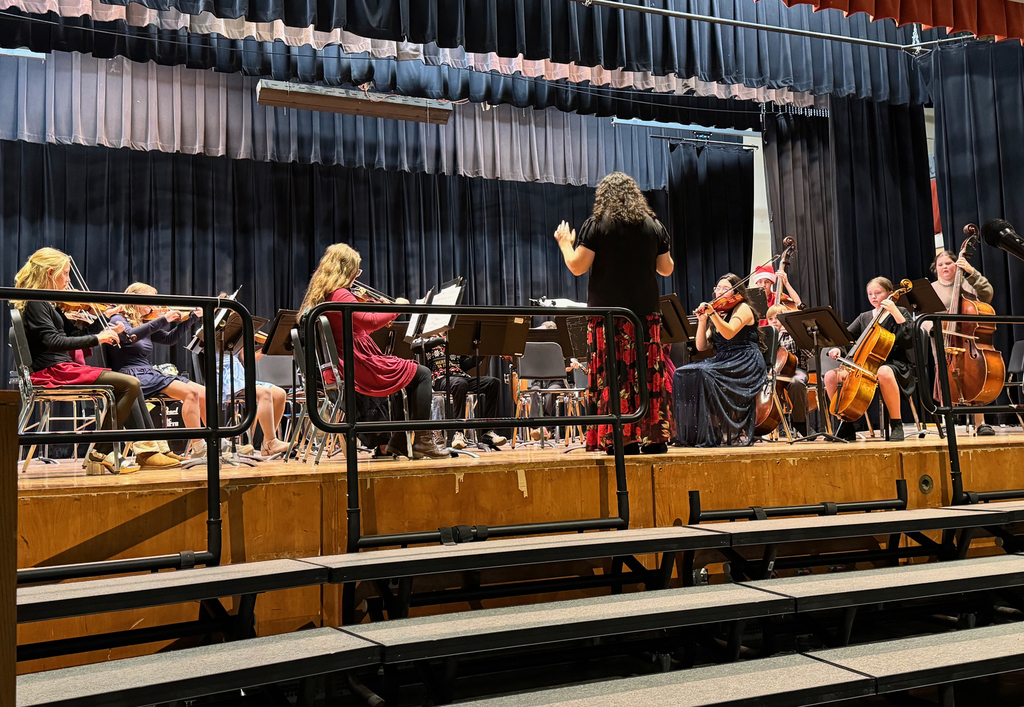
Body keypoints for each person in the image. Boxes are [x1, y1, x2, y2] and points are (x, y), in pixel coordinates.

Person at [554, 171, 674, 455]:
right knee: (645, 376)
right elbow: (666, 268)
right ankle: (653, 437)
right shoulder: (654, 225)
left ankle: (622, 439)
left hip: (610, 319)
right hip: (645, 318)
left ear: (604, 197)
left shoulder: (597, 224)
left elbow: (577, 266)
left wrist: (564, 242)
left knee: (613, 376)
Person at [298, 243, 447, 460]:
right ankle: (423, 441)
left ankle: (397, 442)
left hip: (347, 361)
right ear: (346, 269)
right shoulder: (341, 295)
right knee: (423, 374)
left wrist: (383, 311)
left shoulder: (326, 295)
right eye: (355, 270)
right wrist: (397, 308)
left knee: (402, 380)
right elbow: (369, 321)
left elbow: (359, 324)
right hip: (356, 363)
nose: (356, 276)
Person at [12, 247, 141, 474]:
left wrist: (104, 322)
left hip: (61, 367)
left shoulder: (48, 303)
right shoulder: (36, 302)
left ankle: (114, 451)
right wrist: (98, 338)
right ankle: (100, 453)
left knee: (128, 383)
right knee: (130, 384)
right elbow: (53, 341)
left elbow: (72, 334)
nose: (69, 280)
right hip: (53, 370)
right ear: (50, 273)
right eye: (66, 273)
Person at [104, 282, 204, 469]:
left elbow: (169, 339)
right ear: (134, 299)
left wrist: (191, 318)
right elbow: (130, 336)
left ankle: (206, 443)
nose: (153, 306)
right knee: (190, 394)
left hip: (149, 372)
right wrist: (163, 319)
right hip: (130, 374)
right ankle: (199, 446)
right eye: (149, 301)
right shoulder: (118, 319)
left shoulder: (143, 322)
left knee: (203, 393)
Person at [673, 274, 767, 447]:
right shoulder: (718, 313)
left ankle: (716, 432)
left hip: (745, 360)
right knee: (682, 372)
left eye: (726, 288)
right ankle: (694, 435)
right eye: (718, 288)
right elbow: (701, 346)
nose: (720, 292)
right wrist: (702, 321)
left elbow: (729, 332)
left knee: (704, 372)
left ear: (735, 292)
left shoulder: (743, 308)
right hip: (724, 359)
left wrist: (712, 314)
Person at [824, 277, 914, 442]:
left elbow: (909, 339)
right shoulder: (865, 317)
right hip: (864, 366)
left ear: (889, 293)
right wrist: (836, 348)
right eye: (870, 294)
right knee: (831, 376)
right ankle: (846, 423)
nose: (873, 297)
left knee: (884, 371)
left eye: (878, 293)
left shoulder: (900, 312)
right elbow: (846, 338)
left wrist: (895, 312)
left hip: (894, 364)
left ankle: (896, 423)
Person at [930, 250, 996, 436]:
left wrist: (972, 272)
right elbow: (923, 317)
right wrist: (934, 327)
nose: (945, 267)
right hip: (944, 341)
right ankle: (946, 421)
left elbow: (987, 295)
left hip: (969, 341)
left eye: (949, 263)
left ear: (956, 265)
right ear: (936, 269)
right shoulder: (932, 289)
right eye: (941, 264)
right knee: (945, 378)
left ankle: (980, 422)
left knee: (974, 376)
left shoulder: (968, 284)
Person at [422, 335, 508, 450]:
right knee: (460, 384)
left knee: (493, 383)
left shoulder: (456, 338)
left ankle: (487, 432)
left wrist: (483, 352)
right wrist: (442, 340)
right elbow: (416, 348)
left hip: (460, 376)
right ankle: (459, 432)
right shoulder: (426, 338)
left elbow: (465, 364)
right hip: (440, 378)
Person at [766, 304, 810, 437]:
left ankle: (800, 422)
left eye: (777, 318)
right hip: (773, 372)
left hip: (796, 370)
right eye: (770, 319)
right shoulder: (766, 336)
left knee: (797, 383)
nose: (774, 321)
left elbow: (809, 354)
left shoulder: (793, 333)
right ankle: (764, 423)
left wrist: (796, 335)